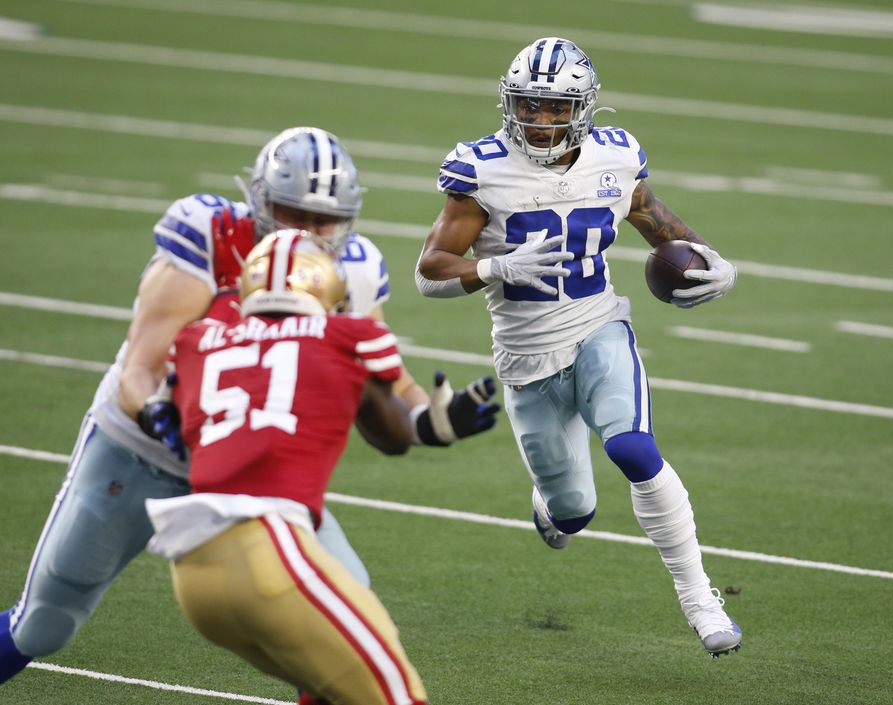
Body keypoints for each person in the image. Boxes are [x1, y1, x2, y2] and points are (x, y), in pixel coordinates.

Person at [0, 127, 499, 682]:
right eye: (293, 213)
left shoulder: (352, 269)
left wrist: (436, 422)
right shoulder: (209, 236)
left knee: (351, 613)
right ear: (261, 201)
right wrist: (156, 414)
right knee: (44, 624)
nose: (310, 231)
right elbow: (142, 366)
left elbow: (387, 391)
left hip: (252, 472)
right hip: (141, 450)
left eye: (324, 219)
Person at [415, 37, 741, 657]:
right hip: (526, 357)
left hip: (597, 326)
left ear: (583, 108)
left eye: (554, 108)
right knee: (573, 511)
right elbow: (429, 270)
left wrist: (710, 259)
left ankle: (700, 598)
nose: (539, 121)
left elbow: (652, 218)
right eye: (529, 106)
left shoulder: (615, 157)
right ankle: (553, 509)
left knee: (634, 448)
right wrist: (495, 269)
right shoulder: (481, 169)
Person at [143, 229, 428, 705]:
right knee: (398, 695)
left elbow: (164, 405)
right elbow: (395, 436)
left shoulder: (196, 339)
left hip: (193, 570)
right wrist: (439, 422)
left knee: (330, 689)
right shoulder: (350, 333)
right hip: (266, 546)